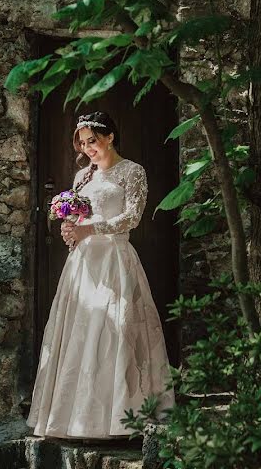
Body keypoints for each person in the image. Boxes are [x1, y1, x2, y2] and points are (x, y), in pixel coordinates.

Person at [26, 111, 175, 441]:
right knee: (81, 333)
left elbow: (132, 217)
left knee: (115, 329)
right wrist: (72, 228)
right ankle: (78, 418)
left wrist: (92, 228)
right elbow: (82, 215)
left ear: (109, 137)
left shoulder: (132, 172)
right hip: (84, 264)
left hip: (115, 259)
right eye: (82, 142)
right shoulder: (83, 175)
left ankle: (122, 417)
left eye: (91, 140)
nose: (86, 147)